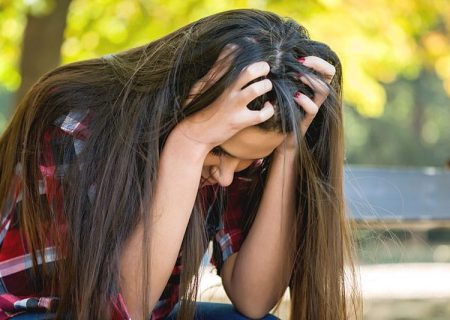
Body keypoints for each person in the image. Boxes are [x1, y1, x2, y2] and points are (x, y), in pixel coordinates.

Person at [0, 9, 360, 320]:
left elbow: (253, 300)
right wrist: (189, 145)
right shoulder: (75, 120)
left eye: (250, 160)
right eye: (219, 152)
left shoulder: (233, 146)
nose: (226, 176)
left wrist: (289, 149)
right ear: (181, 103)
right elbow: (126, 307)